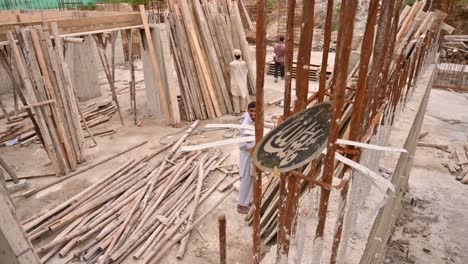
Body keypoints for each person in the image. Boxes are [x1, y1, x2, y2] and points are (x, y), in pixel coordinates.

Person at [237, 102, 256, 214]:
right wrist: (255, 144)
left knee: (251, 179)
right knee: (245, 179)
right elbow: (241, 145)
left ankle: (247, 201)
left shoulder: (255, 121)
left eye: (255, 111)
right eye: (251, 111)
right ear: (248, 111)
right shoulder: (245, 125)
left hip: (253, 156)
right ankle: (241, 205)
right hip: (247, 157)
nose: (253, 114)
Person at [229, 49, 249, 115]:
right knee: (242, 96)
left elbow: (230, 71)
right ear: (240, 55)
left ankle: (237, 111)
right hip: (242, 82)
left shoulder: (231, 64)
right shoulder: (243, 63)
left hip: (235, 82)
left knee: (235, 97)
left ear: (234, 55)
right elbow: (246, 71)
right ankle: (242, 110)